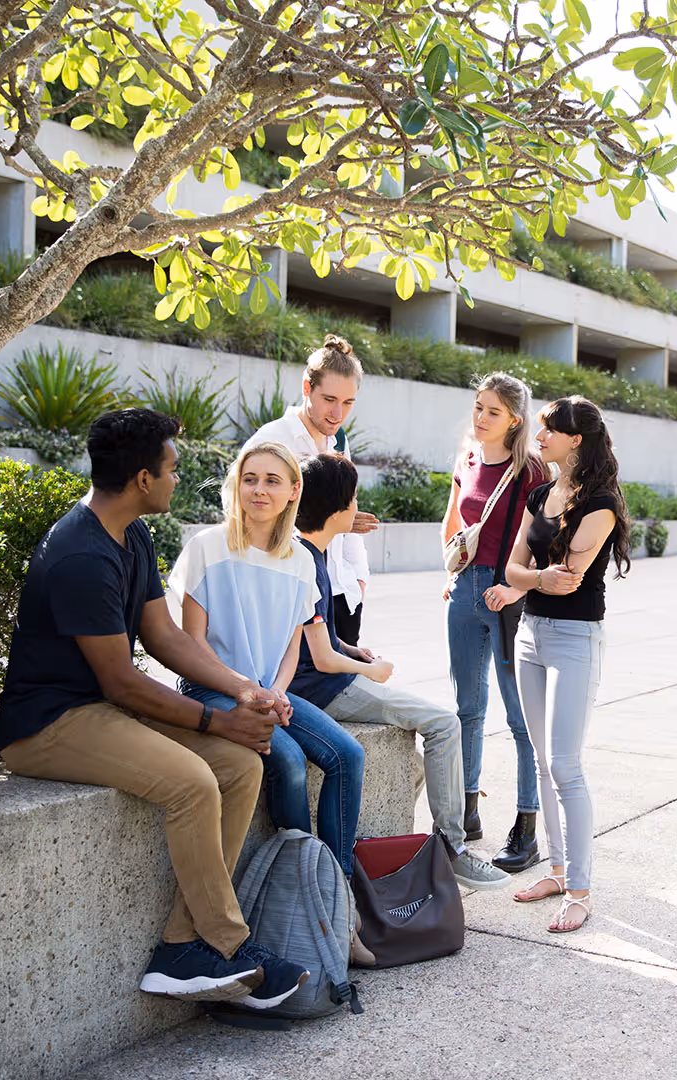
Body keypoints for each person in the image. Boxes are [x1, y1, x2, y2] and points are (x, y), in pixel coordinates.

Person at [0, 408, 308, 1010]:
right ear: (142, 478)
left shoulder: (131, 534)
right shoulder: (80, 555)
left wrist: (245, 690)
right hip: (48, 724)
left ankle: (180, 946)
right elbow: (122, 683)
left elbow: (164, 639)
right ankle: (226, 943)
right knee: (194, 782)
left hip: (99, 710)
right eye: (170, 468)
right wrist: (219, 720)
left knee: (242, 766)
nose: (176, 479)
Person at [167, 441, 372, 966]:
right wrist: (247, 690)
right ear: (236, 485)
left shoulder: (301, 560)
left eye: (273, 481)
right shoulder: (208, 547)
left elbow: (292, 642)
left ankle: (339, 906)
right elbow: (192, 646)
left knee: (347, 755)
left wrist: (276, 690)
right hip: (212, 688)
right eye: (250, 478)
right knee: (285, 762)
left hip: (268, 690)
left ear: (292, 493)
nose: (260, 489)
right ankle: (302, 897)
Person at [289, 452, 509, 890]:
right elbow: (324, 659)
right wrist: (373, 669)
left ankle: (399, 849)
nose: (356, 506)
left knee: (415, 761)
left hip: (320, 677)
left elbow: (315, 636)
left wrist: (353, 648)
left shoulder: (303, 550)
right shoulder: (307, 562)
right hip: (324, 688)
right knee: (445, 724)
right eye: (352, 498)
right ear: (339, 508)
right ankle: (453, 847)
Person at [488, 396, 631, 932]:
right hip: (531, 634)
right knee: (543, 759)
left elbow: (565, 576)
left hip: (575, 638)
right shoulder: (540, 494)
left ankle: (580, 889)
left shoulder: (600, 502)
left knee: (566, 764)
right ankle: (555, 868)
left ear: (575, 440)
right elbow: (514, 567)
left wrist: (529, 578)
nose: (539, 436)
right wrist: (531, 579)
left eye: (549, 429)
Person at [442, 372, 547, 870]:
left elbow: (548, 539)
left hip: (510, 597)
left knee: (519, 719)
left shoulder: (531, 471)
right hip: (465, 590)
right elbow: (454, 519)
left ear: (514, 421)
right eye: (478, 407)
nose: (480, 418)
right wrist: (452, 572)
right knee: (467, 708)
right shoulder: (466, 458)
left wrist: (518, 586)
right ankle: (467, 814)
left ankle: (526, 830)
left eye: (492, 412)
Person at [243, 334, 377, 646]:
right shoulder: (272, 440)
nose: (338, 414)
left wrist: (359, 578)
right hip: (290, 596)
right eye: (329, 400)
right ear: (307, 388)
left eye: (347, 403)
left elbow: (347, 513)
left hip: (342, 595)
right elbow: (243, 513)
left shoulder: (339, 441)